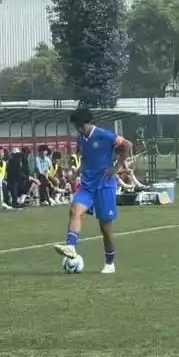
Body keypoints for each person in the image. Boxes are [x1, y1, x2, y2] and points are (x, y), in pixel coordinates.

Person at [53, 108, 133, 274]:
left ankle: (110, 263)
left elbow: (127, 145)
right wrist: (77, 173)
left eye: (78, 125)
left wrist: (116, 167)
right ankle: (71, 246)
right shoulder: (81, 139)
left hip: (104, 185)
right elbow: (85, 159)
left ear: (85, 123)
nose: (77, 129)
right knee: (74, 211)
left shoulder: (104, 135)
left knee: (105, 227)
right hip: (87, 185)